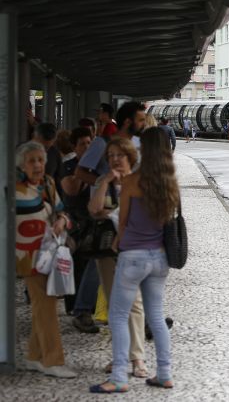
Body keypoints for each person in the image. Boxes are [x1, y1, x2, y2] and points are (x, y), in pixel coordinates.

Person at [91, 128, 178, 393]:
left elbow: (124, 222)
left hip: (133, 257)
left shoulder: (132, 182)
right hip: (160, 258)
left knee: (117, 315)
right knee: (156, 316)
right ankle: (164, 373)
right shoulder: (170, 183)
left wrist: (117, 245)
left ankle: (119, 377)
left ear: (144, 151)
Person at [15, 141, 76, 378]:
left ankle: (34, 356)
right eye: (32, 161)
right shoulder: (13, 188)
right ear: (22, 165)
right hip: (27, 256)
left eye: (41, 160)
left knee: (44, 305)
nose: (38, 165)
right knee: (47, 305)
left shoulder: (49, 183)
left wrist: (62, 220)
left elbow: (63, 211)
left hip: (50, 251)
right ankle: (53, 360)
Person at [88, 138, 148, 380]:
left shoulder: (139, 182)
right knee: (115, 305)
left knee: (133, 302)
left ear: (130, 158)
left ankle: (138, 358)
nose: (114, 159)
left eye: (119, 155)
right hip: (107, 252)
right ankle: (120, 356)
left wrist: (112, 214)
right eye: (111, 155)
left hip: (133, 250)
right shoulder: (104, 181)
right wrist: (105, 183)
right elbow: (94, 210)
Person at [59, 126, 98, 331]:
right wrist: (83, 170)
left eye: (89, 142)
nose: (86, 146)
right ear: (74, 146)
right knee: (73, 264)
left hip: (92, 221)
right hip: (73, 221)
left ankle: (85, 309)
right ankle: (73, 306)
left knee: (89, 263)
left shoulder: (97, 165)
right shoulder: (69, 165)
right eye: (82, 143)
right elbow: (71, 189)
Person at [76, 101, 146, 186]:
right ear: (127, 122)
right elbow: (80, 172)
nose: (144, 124)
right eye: (141, 120)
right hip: (106, 198)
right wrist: (103, 183)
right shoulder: (101, 143)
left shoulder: (140, 143)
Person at [33, 123, 62, 188]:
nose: (42, 150)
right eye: (39, 146)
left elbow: (58, 182)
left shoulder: (55, 154)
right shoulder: (21, 152)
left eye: (46, 147)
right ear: (34, 136)